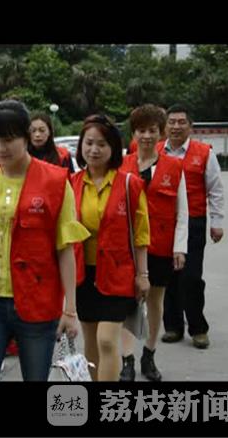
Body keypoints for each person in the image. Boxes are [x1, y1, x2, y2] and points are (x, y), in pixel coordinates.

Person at [0, 100, 89, 381]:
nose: (0, 148)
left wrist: (70, 310)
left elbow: (65, 248)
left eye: (8, 140)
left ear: (26, 137)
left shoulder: (55, 181)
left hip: (37, 303)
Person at [71, 114, 150, 382]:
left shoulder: (130, 184)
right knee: (90, 339)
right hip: (82, 274)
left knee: (106, 340)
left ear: (113, 148)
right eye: (89, 143)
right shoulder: (71, 184)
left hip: (117, 274)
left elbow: (141, 235)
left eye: (102, 144)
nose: (94, 150)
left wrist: (143, 275)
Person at [118, 104, 188, 381]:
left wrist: (180, 247)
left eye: (152, 130)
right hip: (126, 247)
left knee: (156, 301)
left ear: (161, 133)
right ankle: (127, 360)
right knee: (126, 303)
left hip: (160, 246)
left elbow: (183, 211)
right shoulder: (122, 165)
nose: (146, 136)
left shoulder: (174, 166)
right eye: (141, 130)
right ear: (133, 134)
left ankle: (149, 354)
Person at [158, 104, 224, 349]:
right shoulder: (156, 151)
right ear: (165, 126)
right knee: (168, 277)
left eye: (181, 122)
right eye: (172, 122)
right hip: (163, 224)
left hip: (194, 222)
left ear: (190, 126)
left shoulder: (204, 153)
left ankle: (198, 328)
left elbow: (215, 190)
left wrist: (216, 222)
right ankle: (173, 326)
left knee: (191, 277)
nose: (176, 126)